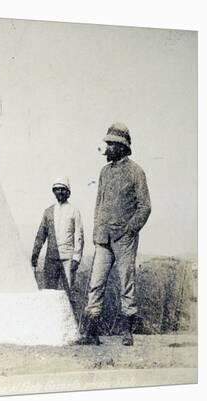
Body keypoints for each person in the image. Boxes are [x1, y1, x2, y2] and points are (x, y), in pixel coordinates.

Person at [78, 123, 151, 346]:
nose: (106, 148)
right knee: (95, 283)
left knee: (127, 283)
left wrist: (130, 230)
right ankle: (91, 333)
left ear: (122, 147)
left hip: (124, 239)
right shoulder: (104, 172)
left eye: (111, 144)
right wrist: (96, 231)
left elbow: (145, 206)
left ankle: (127, 333)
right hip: (103, 239)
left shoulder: (136, 171)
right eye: (107, 143)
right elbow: (98, 204)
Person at [31, 177, 84, 315]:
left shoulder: (74, 211)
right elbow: (41, 235)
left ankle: (73, 327)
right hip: (51, 259)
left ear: (68, 192)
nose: (60, 192)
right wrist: (35, 254)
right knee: (49, 293)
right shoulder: (48, 211)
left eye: (62, 189)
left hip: (68, 259)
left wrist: (76, 258)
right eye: (57, 189)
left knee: (69, 294)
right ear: (53, 191)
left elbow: (79, 235)